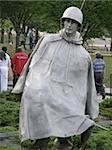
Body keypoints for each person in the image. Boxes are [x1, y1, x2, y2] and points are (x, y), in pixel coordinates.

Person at [12, 6, 99, 150]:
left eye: (73, 22)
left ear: (79, 26)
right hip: (45, 97)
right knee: (41, 125)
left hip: (69, 103)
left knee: (69, 135)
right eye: (67, 21)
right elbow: (32, 64)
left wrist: (90, 109)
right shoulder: (48, 41)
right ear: (62, 22)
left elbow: (87, 85)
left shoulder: (83, 56)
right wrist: (21, 87)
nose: (69, 25)